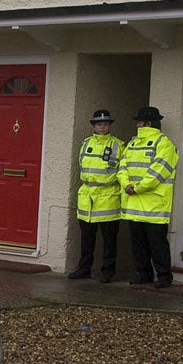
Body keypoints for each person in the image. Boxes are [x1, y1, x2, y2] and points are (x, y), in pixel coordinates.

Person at [120, 105, 180, 288]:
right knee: (138, 244)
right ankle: (143, 273)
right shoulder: (132, 143)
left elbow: (158, 173)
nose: (137, 125)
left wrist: (135, 187)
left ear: (149, 123)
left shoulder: (164, 144)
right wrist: (126, 184)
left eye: (140, 122)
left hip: (154, 205)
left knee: (158, 244)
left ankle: (163, 276)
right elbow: (122, 167)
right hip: (134, 203)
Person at [68, 108, 122, 281]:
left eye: (105, 124)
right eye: (99, 124)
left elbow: (121, 170)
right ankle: (84, 269)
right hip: (87, 197)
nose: (102, 127)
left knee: (109, 240)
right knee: (86, 239)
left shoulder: (118, 145)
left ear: (110, 125)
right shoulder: (86, 143)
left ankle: (108, 272)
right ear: (94, 125)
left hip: (108, 197)